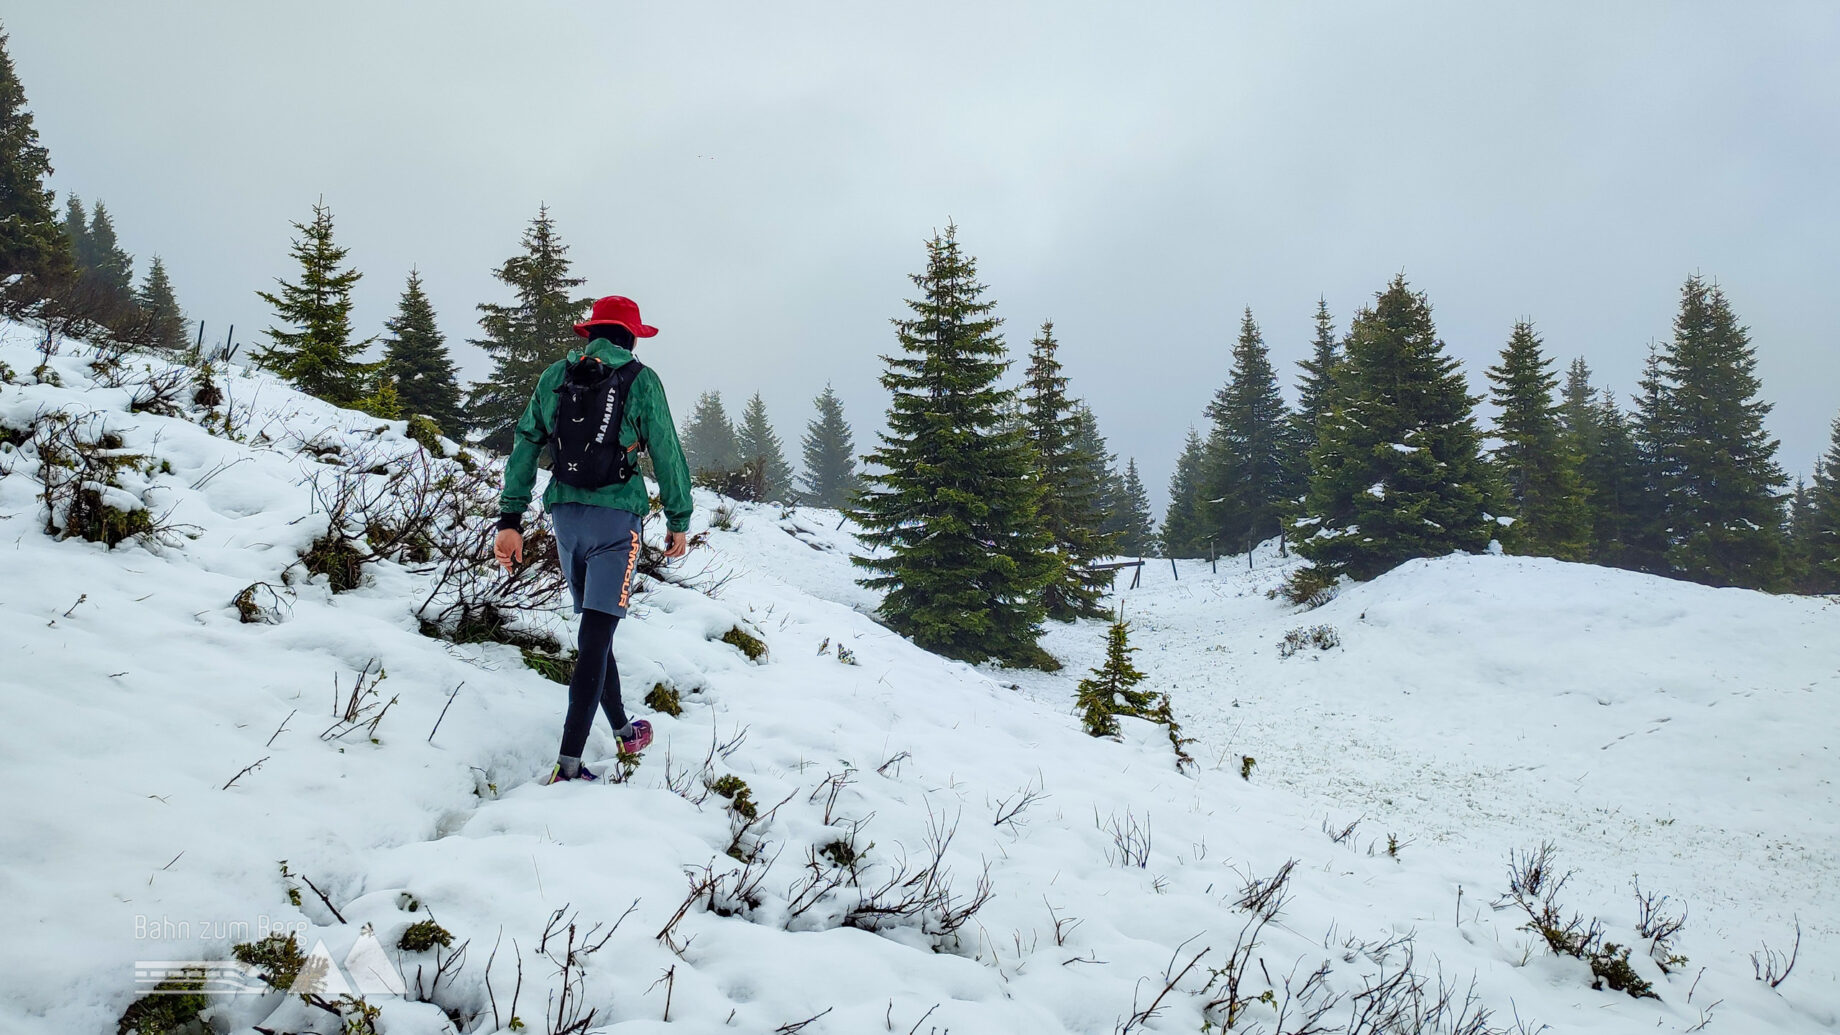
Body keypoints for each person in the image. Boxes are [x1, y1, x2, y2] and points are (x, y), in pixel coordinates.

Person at [493, 295, 694, 784]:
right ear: (632, 336)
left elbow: (526, 442)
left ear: (592, 333)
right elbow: (665, 447)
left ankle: (624, 730)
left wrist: (510, 519)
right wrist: (678, 516)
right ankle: (568, 764)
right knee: (596, 636)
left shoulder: (553, 377)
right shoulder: (641, 380)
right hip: (616, 520)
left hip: (565, 513)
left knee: (595, 632)